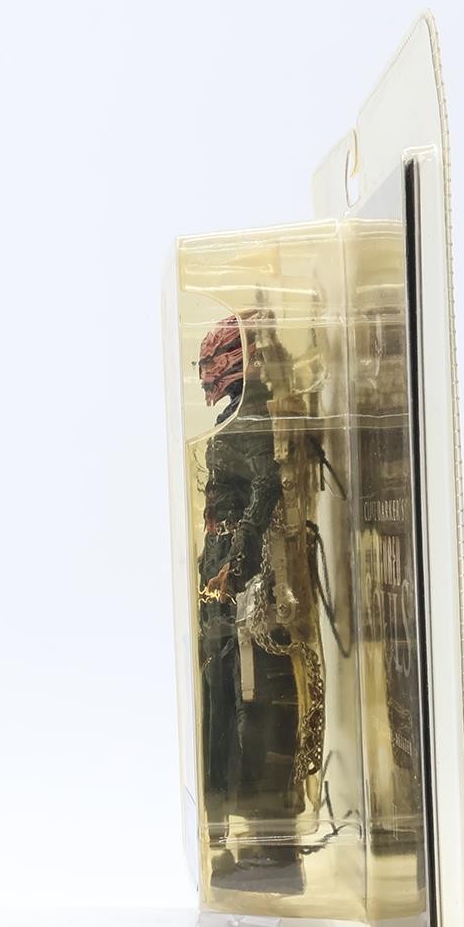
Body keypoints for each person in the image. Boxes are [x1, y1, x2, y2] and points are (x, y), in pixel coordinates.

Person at [196, 312, 304, 895]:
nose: (204, 372)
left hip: (243, 582)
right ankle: (237, 830)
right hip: (223, 575)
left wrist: (235, 564)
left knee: (250, 699)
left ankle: (267, 844)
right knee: (226, 696)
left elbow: (265, 489)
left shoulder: (252, 415)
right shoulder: (236, 414)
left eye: (211, 361)